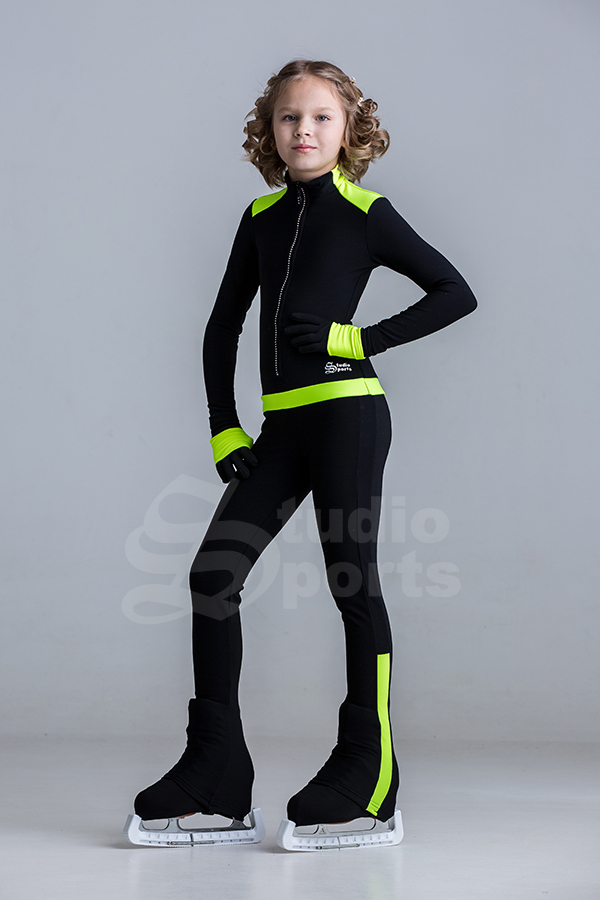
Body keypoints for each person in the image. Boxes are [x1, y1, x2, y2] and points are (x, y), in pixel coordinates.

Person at [127, 58, 477, 849]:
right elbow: (223, 326)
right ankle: (218, 775)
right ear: (270, 130)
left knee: (351, 582)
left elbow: (455, 292)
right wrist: (224, 426)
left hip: (349, 418)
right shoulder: (259, 217)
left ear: (349, 128)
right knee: (213, 577)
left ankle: (371, 779)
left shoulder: (366, 212)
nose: (304, 131)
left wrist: (359, 339)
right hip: (281, 429)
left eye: (321, 117)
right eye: (289, 117)